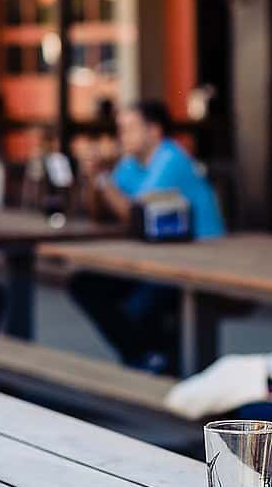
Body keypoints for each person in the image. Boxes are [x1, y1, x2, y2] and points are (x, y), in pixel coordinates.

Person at [67, 99, 224, 373]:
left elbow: (135, 215)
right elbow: (100, 212)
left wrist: (104, 179)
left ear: (154, 131)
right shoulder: (131, 163)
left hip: (201, 260)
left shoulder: (170, 158)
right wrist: (94, 176)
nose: (121, 136)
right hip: (160, 258)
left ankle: (155, 361)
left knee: (137, 307)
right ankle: (147, 359)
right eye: (120, 129)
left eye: (128, 129)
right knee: (85, 284)